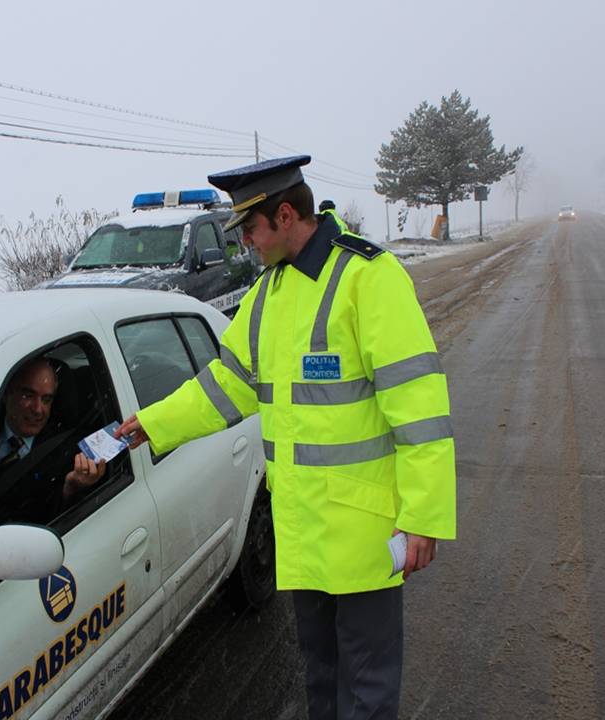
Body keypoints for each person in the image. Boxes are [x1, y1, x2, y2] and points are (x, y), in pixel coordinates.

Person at [116, 155, 455, 719]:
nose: (244, 242)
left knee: (368, 687)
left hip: (366, 534)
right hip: (301, 531)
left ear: (287, 214)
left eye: (249, 229)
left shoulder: (368, 277)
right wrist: (152, 424)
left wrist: (423, 516)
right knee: (321, 677)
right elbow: (226, 386)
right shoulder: (269, 293)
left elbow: (419, 407)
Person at [0, 357, 105, 531]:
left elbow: (51, 520)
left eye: (46, 399)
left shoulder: (68, 453)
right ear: (6, 394)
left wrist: (70, 489)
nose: (38, 409)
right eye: (28, 395)